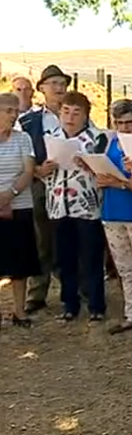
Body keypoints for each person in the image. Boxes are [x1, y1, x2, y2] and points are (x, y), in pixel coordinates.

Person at [36, 91, 108, 322]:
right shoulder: (50, 137)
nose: (70, 117)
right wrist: (42, 170)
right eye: (66, 111)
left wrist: (90, 166)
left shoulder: (96, 138)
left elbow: (105, 170)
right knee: (64, 257)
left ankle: (96, 305)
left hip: (86, 206)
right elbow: (38, 170)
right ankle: (69, 304)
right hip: (58, 205)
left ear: (86, 116)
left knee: (90, 257)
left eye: (76, 113)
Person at [96, 99, 132, 334]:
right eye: (120, 123)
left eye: (130, 123)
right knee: (125, 269)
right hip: (112, 212)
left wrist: (117, 183)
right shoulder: (110, 142)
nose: (125, 128)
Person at [20, 64, 71, 314]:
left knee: (69, 237)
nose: (59, 88)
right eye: (54, 84)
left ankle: (71, 290)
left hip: (70, 184)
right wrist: (37, 170)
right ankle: (37, 292)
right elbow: (21, 151)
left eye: (62, 84)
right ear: (41, 89)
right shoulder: (29, 121)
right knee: (40, 238)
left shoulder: (76, 114)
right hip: (41, 184)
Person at [0, 92, 42, 327]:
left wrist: (10, 194)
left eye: (16, 111)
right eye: (8, 111)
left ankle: (20, 311)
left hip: (20, 204)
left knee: (19, 261)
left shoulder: (23, 138)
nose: (14, 115)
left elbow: (28, 171)